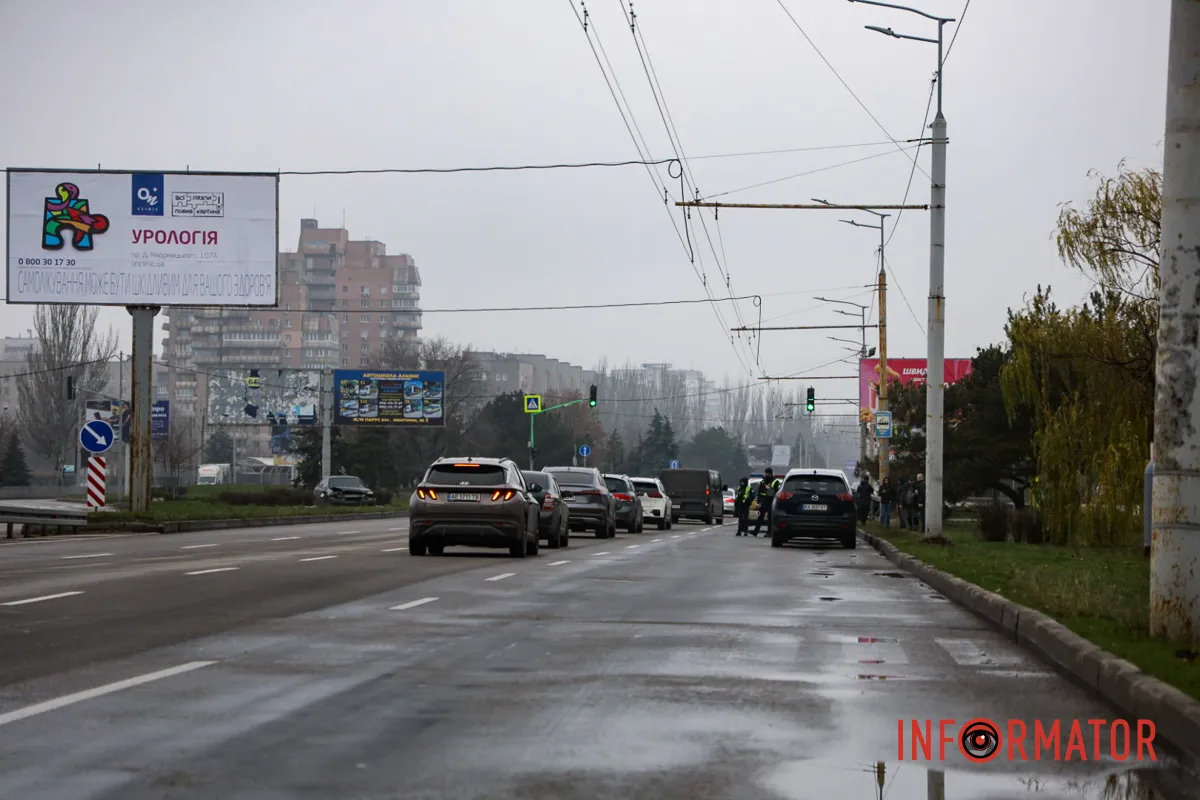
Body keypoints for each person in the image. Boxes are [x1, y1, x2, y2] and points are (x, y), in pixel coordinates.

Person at [750, 469, 780, 537]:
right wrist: (758, 502)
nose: (765, 475)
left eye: (767, 473)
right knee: (760, 516)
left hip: (771, 500)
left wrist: (769, 489)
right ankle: (755, 531)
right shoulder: (763, 481)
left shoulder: (775, 481)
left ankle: (769, 532)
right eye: (765, 473)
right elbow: (760, 492)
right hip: (764, 501)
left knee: (770, 517)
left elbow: (777, 491)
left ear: (770, 474)